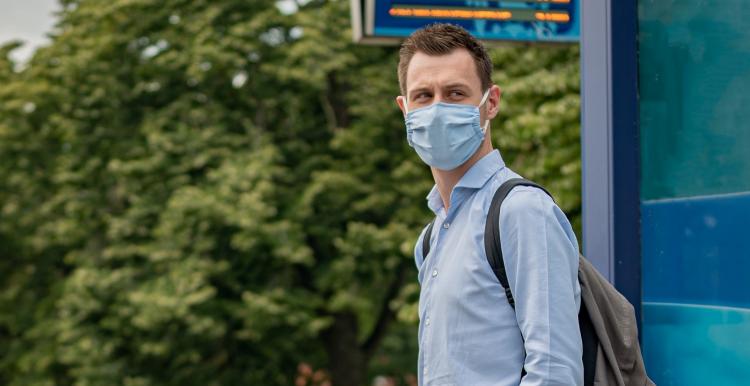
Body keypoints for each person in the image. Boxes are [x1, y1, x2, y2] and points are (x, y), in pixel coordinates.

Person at [395, 23, 583, 386]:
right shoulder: (431, 238)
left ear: (490, 102)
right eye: (423, 96)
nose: (437, 109)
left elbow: (555, 373)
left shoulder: (521, 212)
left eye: (454, 93)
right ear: (404, 108)